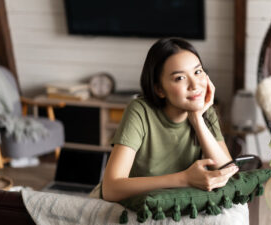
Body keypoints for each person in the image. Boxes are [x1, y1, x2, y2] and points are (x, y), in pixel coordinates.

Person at [101, 38, 238, 202]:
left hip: (179, 203)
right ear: (159, 89)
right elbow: (110, 189)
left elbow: (228, 175)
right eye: (180, 78)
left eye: (198, 72)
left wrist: (197, 120)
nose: (194, 85)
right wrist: (184, 179)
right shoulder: (140, 111)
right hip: (139, 204)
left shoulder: (205, 112)